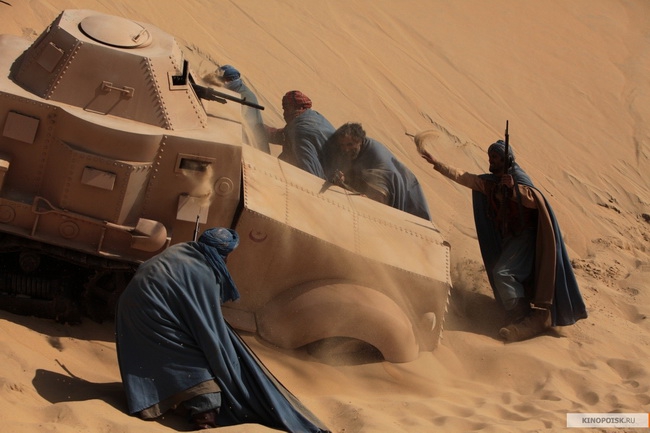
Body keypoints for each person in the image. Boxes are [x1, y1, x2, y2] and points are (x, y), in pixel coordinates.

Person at [115, 227, 329, 432]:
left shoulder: (182, 249)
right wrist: (228, 368)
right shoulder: (204, 272)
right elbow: (208, 331)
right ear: (221, 253)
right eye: (227, 255)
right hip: (154, 315)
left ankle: (156, 400)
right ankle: (204, 422)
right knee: (196, 369)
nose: (226, 260)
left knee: (165, 353)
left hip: (130, 309)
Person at [418, 136, 587, 341]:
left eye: (496, 157)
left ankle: (522, 316)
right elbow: (465, 177)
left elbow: (534, 200)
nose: (491, 160)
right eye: (490, 156)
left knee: (503, 273)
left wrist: (514, 189)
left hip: (525, 238)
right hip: (509, 239)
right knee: (504, 273)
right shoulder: (491, 183)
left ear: (506, 159)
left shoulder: (518, 178)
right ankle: (523, 314)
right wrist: (437, 164)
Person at [327, 122, 431, 220]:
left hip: (409, 202)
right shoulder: (360, 150)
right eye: (342, 145)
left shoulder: (376, 158)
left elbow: (377, 200)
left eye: (350, 144)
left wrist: (345, 187)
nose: (345, 149)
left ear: (360, 141)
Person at [266, 90, 335, 179]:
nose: (284, 114)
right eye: (284, 109)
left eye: (287, 109)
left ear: (300, 108)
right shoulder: (313, 117)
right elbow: (283, 135)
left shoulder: (300, 132)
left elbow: (311, 175)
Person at [216, 65, 270, 153]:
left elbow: (246, 126)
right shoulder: (235, 90)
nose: (220, 83)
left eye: (222, 80)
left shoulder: (245, 96)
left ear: (229, 80)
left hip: (254, 148)